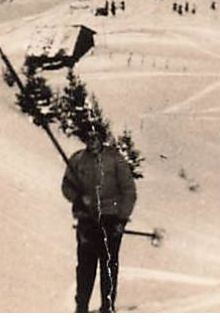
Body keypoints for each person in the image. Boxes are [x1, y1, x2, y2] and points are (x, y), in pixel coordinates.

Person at [61, 123, 137, 313]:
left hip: (111, 219)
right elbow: (66, 186)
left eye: (96, 137)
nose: (92, 141)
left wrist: (121, 219)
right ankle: (82, 307)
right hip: (86, 219)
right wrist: (79, 198)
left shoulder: (115, 160)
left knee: (108, 264)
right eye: (89, 137)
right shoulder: (77, 159)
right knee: (85, 265)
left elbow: (129, 191)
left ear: (101, 139)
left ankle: (107, 307)